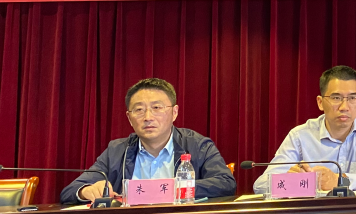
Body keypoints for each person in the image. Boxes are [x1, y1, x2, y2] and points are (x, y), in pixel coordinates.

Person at [60, 78, 236, 204]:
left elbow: (225, 183)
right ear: (129, 118)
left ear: (174, 112)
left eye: (157, 107)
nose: (148, 117)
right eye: (139, 110)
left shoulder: (197, 145)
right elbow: (70, 191)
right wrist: (86, 191)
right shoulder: (117, 150)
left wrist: (171, 189)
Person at [254, 65, 356, 194]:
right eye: (336, 98)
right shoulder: (300, 136)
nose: (344, 107)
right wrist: (294, 182)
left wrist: (341, 180)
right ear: (320, 102)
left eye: (352, 98)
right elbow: (260, 185)